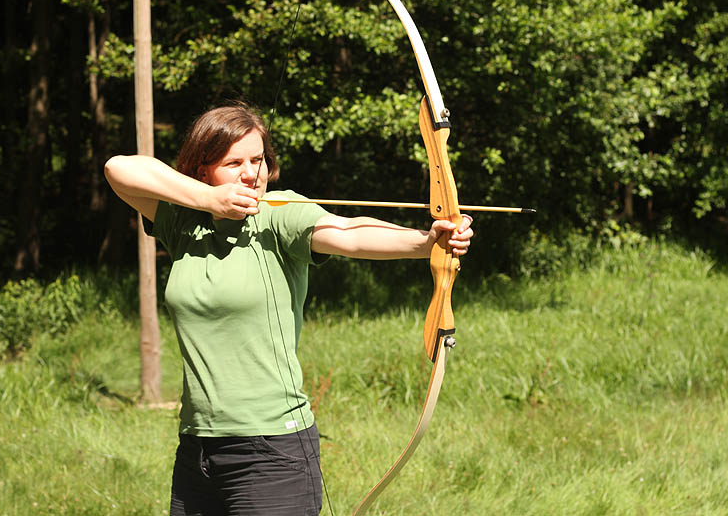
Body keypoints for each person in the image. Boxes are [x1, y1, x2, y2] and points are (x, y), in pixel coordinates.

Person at [104, 103, 473, 516]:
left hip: (272, 453)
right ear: (202, 169)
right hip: (198, 450)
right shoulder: (184, 222)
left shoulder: (279, 213)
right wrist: (209, 199)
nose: (251, 173)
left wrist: (424, 243)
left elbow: (347, 234)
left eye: (258, 160)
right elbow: (119, 169)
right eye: (235, 162)